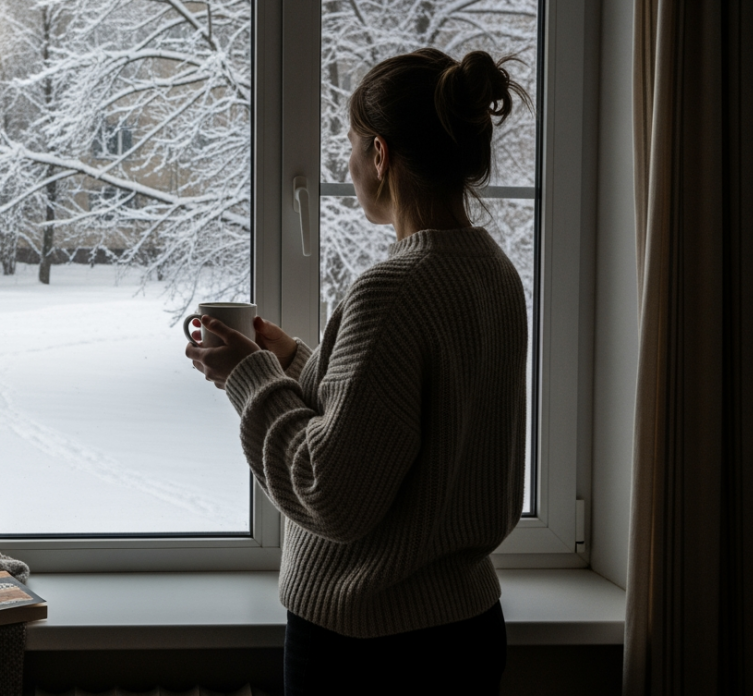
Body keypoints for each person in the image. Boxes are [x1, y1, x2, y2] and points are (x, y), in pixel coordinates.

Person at [186, 48, 531, 695]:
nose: (344, 166)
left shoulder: (392, 289)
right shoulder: (497, 276)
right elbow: (408, 418)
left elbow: (329, 491)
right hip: (469, 632)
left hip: (371, 652)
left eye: (348, 144)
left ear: (380, 154)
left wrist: (250, 377)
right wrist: (293, 360)